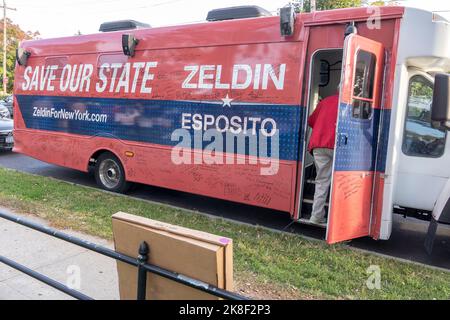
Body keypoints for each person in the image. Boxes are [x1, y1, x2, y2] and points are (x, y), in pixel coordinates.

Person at [307, 92, 339, 225]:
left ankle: (316, 216)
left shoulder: (326, 101)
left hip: (319, 144)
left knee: (321, 181)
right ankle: (337, 222)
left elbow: (311, 121)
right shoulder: (349, 102)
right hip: (337, 145)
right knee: (341, 182)